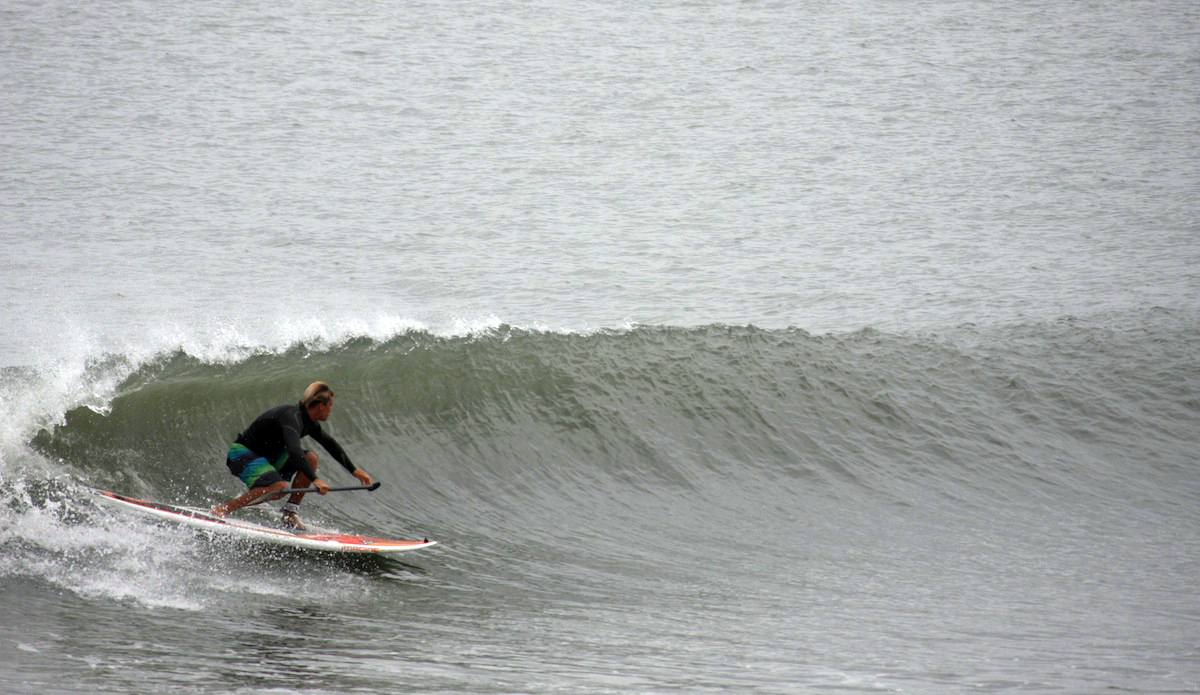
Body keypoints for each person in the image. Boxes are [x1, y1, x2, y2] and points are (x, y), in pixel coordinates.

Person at [211, 381, 372, 529]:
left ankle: (289, 514)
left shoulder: (310, 423)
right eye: (330, 406)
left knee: (311, 459)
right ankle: (223, 509)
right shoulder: (292, 417)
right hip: (242, 454)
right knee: (278, 488)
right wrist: (315, 479)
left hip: (268, 458)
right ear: (321, 406)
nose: (331, 410)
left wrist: (354, 471)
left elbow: (329, 443)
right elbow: (294, 450)